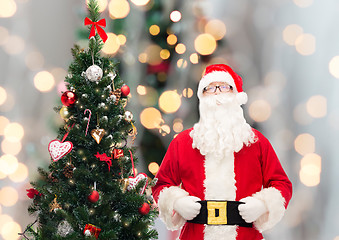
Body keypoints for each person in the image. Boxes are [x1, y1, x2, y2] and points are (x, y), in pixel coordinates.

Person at [152, 64, 292, 240]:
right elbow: (160, 184)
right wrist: (177, 202)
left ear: (236, 96)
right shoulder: (183, 143)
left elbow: (282, 184)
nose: (217, 93)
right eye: (210, 88)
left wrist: (262, 205)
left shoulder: (256, 142)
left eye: (224, 87)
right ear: (202, 97)